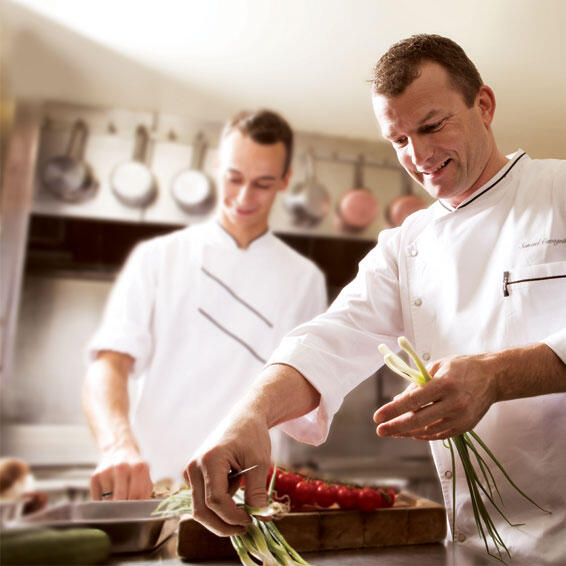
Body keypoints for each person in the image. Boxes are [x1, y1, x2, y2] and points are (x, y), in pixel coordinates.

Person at [184, 35, 566, 563]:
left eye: (432, 126)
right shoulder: (407, 244)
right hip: (480, 548)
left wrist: (498, 376)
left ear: (483, 105)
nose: (419, 156)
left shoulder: (558, 191)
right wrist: (249, 415)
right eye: (399, 140)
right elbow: (332, 338)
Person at [82, 109, 327, 500]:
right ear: (217, 166)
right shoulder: (157, 257)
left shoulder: (304, 279)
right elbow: (109, 363)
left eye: (263, 184)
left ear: (285, 181)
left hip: (249, 496)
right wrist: (116, 447)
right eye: (234, 178)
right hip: (154, 488)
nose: (245, 197)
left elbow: (306, 394)